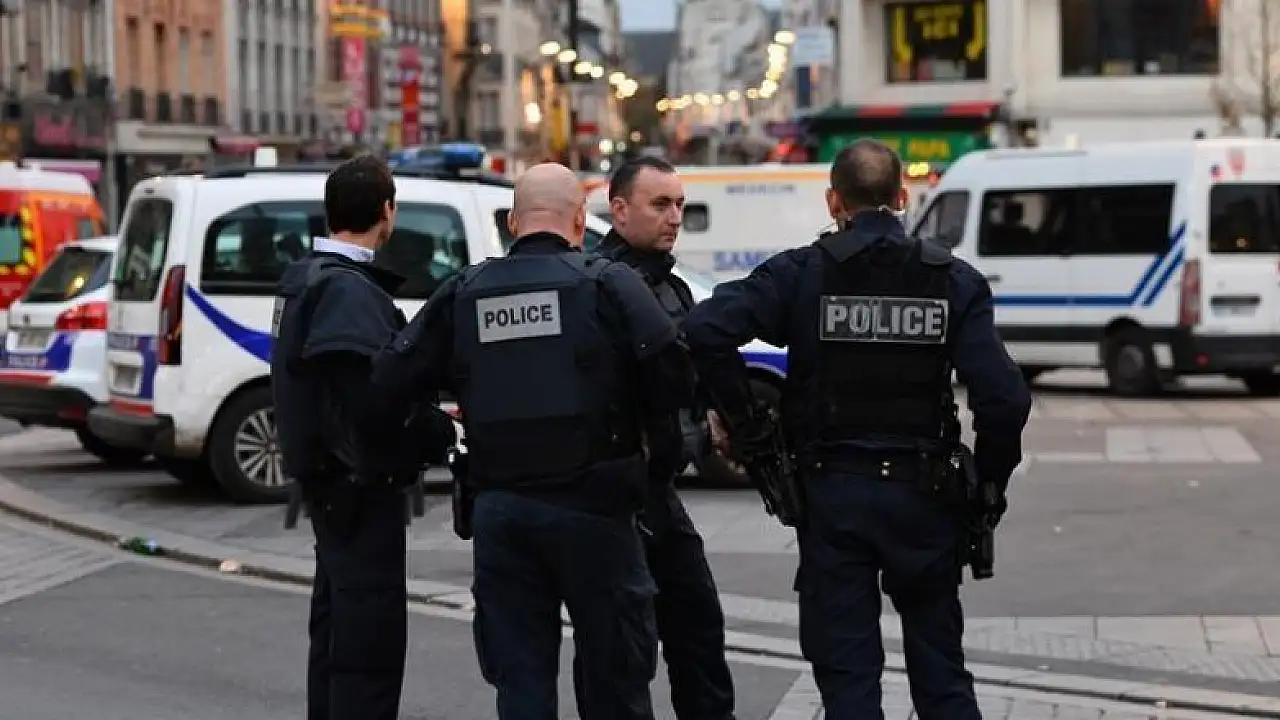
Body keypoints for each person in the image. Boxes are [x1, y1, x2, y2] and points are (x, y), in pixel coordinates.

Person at [682, 139, 1032, 719]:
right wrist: (987, 485)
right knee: (942, 675)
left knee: (848, 681)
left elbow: (705, 329)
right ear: (902, 197)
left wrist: (750, 429)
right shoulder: (952, 280)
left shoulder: (801, 273)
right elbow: (1006, 399)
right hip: (925, 495)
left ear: (833, 201)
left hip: (832, 496)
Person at [368, 162, 695, 720]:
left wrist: (443, 436)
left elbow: (388, 383)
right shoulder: (609, 283)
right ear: (579, 221)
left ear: (513, 223)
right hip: (597, 509)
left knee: (521, 685)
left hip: (503, 511)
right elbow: (675, 376)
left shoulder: (464, 291)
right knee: (616, 681)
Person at [270, 154, 455, 720]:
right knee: (365, 649)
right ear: (387, 212)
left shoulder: (309, 279)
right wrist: (439, 431)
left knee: (337, 639)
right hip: (359, 489)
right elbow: (372, 400)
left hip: (330, 487)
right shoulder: (346, 292)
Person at [577, 156, 736, 720]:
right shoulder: (594, 286)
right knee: (621, 651)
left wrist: (712, 414)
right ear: (619, 211)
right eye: (660, 205)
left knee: (699, 628)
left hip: (660, 491)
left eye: (680, 205)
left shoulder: (671, 287)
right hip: (615, 494)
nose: (674, 217)